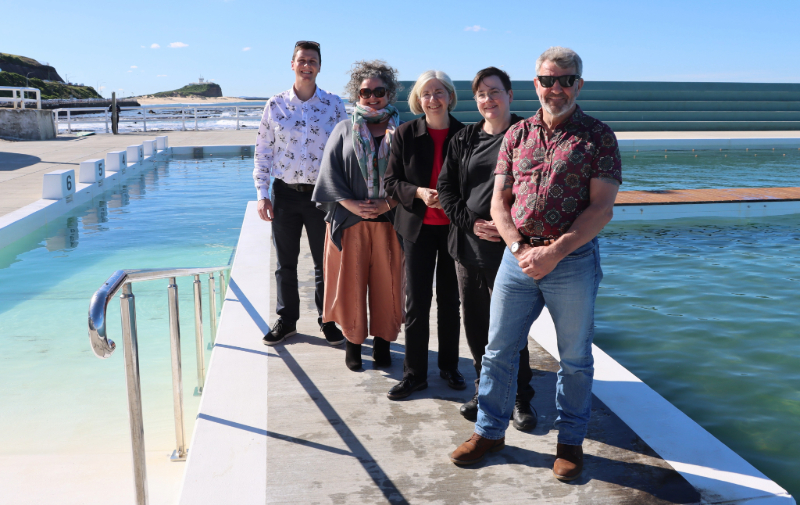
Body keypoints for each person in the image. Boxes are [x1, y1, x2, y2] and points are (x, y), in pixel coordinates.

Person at [449, 47, 622, 483]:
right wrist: (518, 246)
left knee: (575, 359)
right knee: (498, 350)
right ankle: (489, 432)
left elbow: (601, 209)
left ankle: (569, 445)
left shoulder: (598, 136)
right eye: (548, 79)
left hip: (573, 261)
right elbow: (499, 201)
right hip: (518, 257)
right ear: (536, 84)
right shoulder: (518, 134)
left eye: (566, 79)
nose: (556, 87)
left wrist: (554, 251)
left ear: (579, 84)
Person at [437, 67, 537, 431]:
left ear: (510, 95)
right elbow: (446, 189)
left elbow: (537, 189)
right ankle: (486, 389)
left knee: (511, 325)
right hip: (468, 246)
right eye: (481, 94)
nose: (488, 99)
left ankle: (521, 396)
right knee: (477, 323)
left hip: (510, 248)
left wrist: (512, 228)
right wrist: (471, 223)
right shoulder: (464, 138)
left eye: (494, 92)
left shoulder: (528, 135)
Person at [254, 41, 348, 347]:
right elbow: (263, 151)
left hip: (323, 194)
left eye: (312, 61)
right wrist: (261, 193)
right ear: (292, 64)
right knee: (286, 262)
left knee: (325, 262)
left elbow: (345, 152)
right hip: (284, 194)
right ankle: (287, 320)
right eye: (302, 60)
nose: (307, 65)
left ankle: (328, 319)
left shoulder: (334, 105)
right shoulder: (275, 104)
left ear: (319, 66)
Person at [312, 60, 404, 371]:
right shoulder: (343, 128)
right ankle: (353, 342)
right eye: (366, 91)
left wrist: (387, 204)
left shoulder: (403, 130)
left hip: (391, 223)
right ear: (358, 94)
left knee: (388, 286)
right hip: (350, 221)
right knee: (349, 285)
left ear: (389, 92)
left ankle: (383, 344)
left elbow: (412, 177)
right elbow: (329, 173)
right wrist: (351, 204)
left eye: (380, 91)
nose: (373, 96)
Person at [384, 71, 465, 400]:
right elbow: (391, 182)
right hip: (417, 228)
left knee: (450, 301)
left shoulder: (466, 134)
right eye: (426, 93)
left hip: (454, 229)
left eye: (439, 92)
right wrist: (418, 192)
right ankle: (414, 374)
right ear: (418, 99)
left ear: (449, 95)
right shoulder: (405, 133)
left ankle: (449, 366)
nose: (433, 99)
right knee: (416, 302)